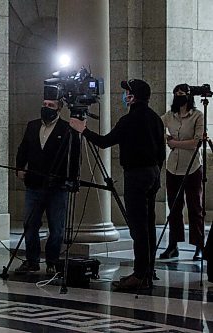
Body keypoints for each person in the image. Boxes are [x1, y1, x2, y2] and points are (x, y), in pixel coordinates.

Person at [70, 79, 166, 290]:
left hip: (136, 176)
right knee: (148, 225)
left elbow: (104, 142)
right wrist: (155, 170)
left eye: (127, 93)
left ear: (132, 97)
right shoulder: (156, 119)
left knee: (138, 228)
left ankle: (140, 275)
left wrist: (82, 130)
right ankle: (148, 270)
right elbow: (161, 152)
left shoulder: (129, 120)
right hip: (153, 174)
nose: (124, 96)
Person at [15, 98, 80, 276]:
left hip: (57, 187)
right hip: (34, 184)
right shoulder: (32, 126)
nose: (46, 107)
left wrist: (72, 179)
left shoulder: (67, 129)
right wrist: (19, 168)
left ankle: (52, 261)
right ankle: (32, 260)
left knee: (56, 228)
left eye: (51, 105)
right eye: (44, 104)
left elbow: (74, 157)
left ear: (59, 109)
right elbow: (23, 149)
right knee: (30, 225)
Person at [160, 84, 204, 261]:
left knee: (195, 208)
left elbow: (196, 141)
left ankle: (199, 246)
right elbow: (156, 126)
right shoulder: (169, 116)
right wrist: (166, 138)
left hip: (192, 166)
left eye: (182, 94)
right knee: (174, 208)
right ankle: (173, 245)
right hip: (173, 167)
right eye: (176, 94)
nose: (179, 96)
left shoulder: (197, 116)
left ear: (188, 96)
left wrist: (174, 143)